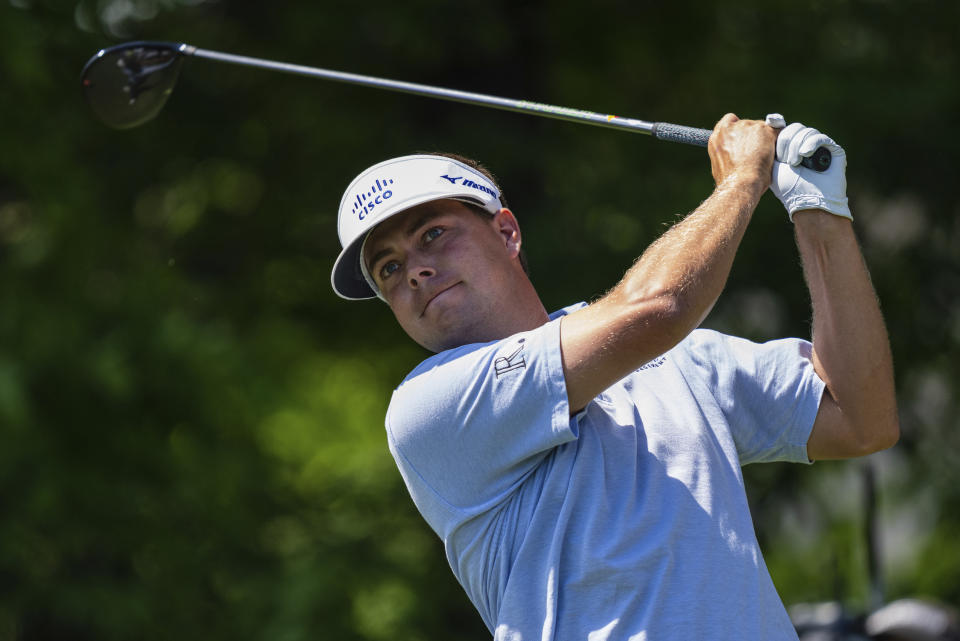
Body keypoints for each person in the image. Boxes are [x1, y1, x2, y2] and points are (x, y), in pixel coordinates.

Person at [329, 113, 899, 640]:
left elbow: (860, 419)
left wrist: (819, 211)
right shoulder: (428, 407)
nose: (416, 271)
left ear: (506, 233)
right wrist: (741, 180)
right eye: (389, 267)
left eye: (432, 234)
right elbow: (657, 308)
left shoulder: (681, 358)